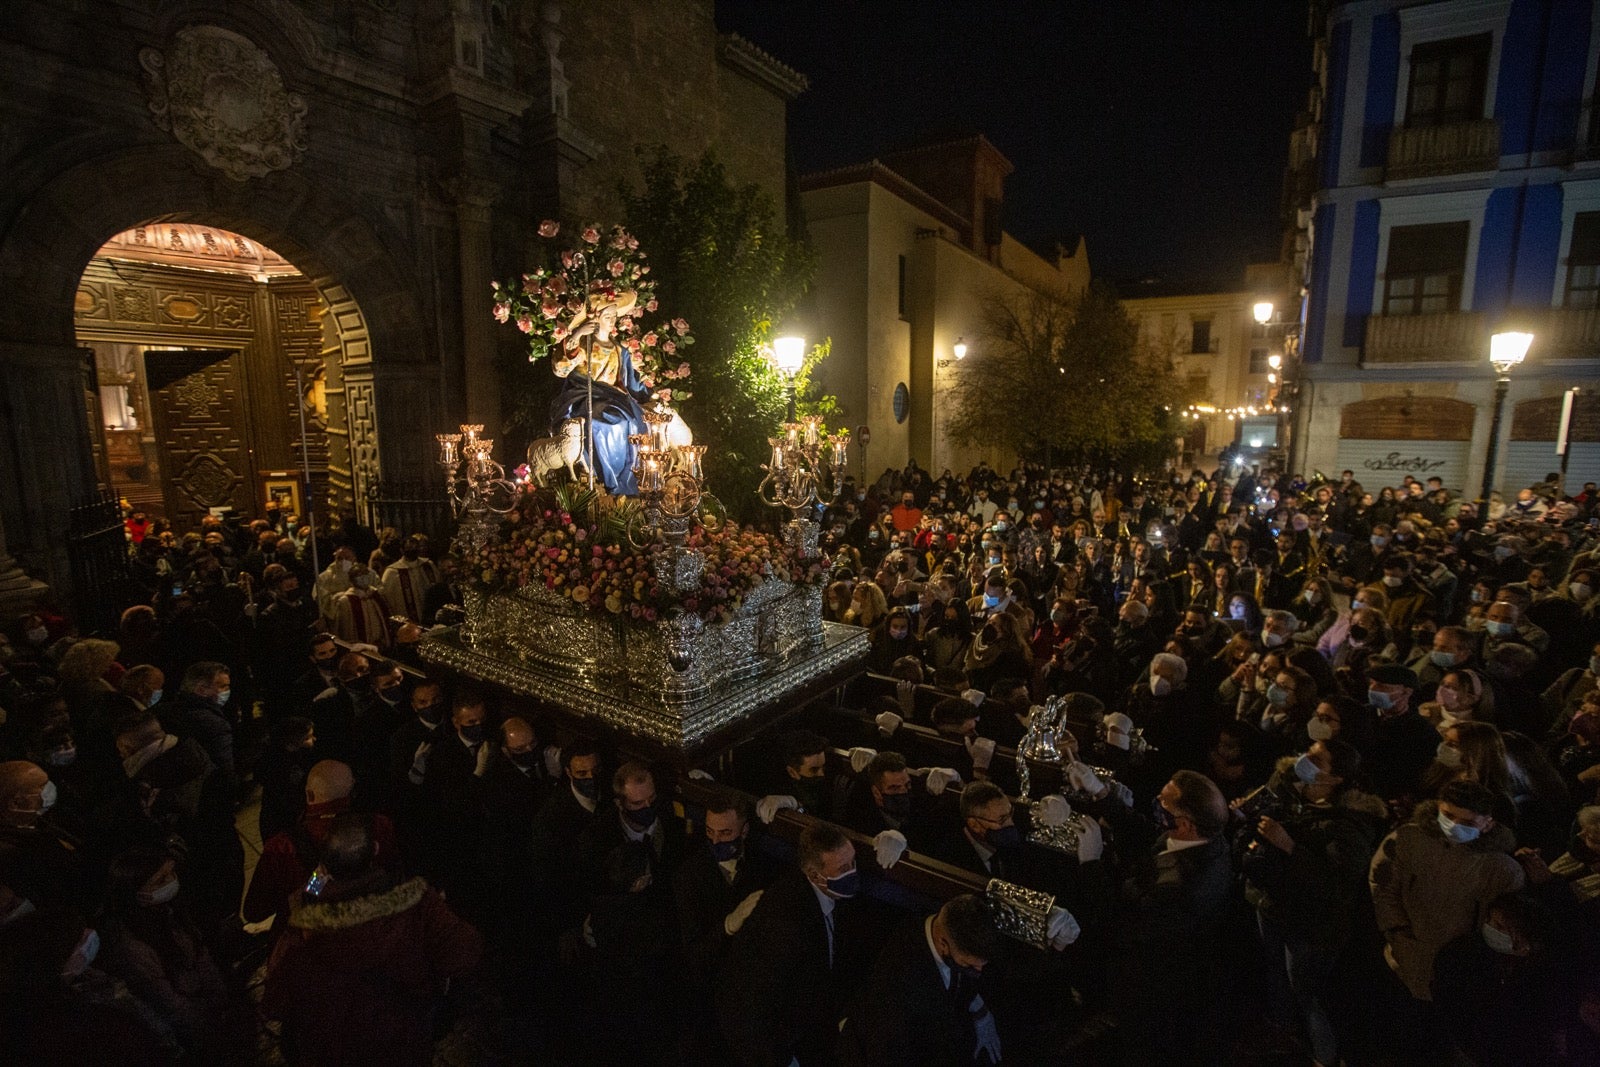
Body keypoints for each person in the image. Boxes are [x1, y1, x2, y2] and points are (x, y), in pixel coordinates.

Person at [263, 813, 484, 1067]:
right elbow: (466, 952)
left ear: (324, 864)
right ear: (375, 850)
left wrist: (316, 879)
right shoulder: (417, 907)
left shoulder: (300, 932)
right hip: (402, 1046)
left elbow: (273, 1004)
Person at [1239, 739, 1386, 1067]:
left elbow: (1334, 885)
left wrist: (1290, 846)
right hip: (1273, 904)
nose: (1305, 759)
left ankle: (1326, 1055)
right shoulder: (1292, 794)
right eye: (1310, 752)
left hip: (1310, 924)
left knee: (1308, 992)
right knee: (1276, 972)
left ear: (1335, 779)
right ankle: (1283, 1029)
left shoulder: (1349, 826)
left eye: (1318, 760)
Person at [716, 821, 871, 1066]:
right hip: (778, 1043)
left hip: (810, 1025)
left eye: (852, 863)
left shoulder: (837, 898)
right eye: (843, 868)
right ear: (813, 874)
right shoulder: (785, 922)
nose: (852, 872)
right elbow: (754, 1001)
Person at [1369, 779, 1525, 1003]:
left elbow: (1500, 925)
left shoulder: (1502, 870)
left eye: (1467, 822)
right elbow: (1383, 888)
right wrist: (1399, 933)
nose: (1454, 825)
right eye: (1448, 816)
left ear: (1487, 823)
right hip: (1400, 958)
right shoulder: (1406, 840)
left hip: (1458, 975)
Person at [838, 893, 1008, 1065]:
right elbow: (890, 1050)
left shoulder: (951, 932)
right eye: (969, 965)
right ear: (943, 944)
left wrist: (981, 1011)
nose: (978, 972)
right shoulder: (898, 981)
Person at [549, 288, 653, 495]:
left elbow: (630, 383)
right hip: (585, 398)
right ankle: (605, 481)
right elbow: (561, 370)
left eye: (614, 316)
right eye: (607, 316)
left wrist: (651, 394)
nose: (612, 320)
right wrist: (577, 334)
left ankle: (629, 478)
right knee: (601, 423)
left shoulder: (619, 350)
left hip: (617, 400)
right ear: (596, 319)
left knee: (635, 422)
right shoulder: (584, 345)